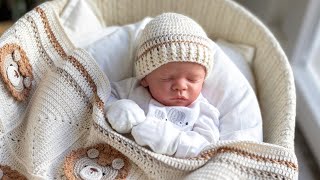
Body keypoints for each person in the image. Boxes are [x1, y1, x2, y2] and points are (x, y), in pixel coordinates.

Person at [105, 13, 257, 158]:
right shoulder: (134, 89)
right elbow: (104, 93)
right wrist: (118, 107)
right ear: (145, 78)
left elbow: (206, 147)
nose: (181, 86)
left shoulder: (202, 111)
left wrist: (172, 141)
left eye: (192, 79)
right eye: (167, 78)